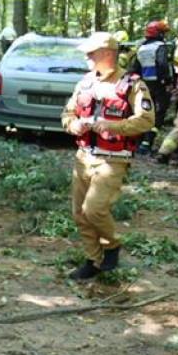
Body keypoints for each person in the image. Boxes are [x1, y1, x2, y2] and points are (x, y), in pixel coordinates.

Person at [61, 32, 155, 281]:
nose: (86, 57)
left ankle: (111, 245)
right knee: (79, 215)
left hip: (113, 159)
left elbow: (146, 120)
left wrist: (112, 126)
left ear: (107, 53)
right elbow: (68, 113)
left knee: (94, 209)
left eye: (90, 53)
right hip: (84, 157)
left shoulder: (132, 85)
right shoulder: (85, 82)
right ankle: (93, 260)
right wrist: (74, 125)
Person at [129, 19, 175, 154]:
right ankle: (147, 143)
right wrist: (168, 82)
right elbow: (162, 65)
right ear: (159, 33)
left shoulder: (141, 48)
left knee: (145, 112)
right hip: (159, 85)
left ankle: (138, 142)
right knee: (159, 113)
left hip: (144, 85)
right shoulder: (160, 46)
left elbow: (135, 68)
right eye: (163, 32)